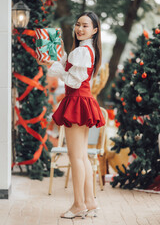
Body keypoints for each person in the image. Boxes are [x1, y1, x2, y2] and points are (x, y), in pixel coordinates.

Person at [37, 11, 106, 219]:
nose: (79, 28)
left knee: (76, 157)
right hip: (81, 100)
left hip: (76, 100)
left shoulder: (83, 51)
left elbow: (73, 81)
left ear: (94, 30)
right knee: (81, 156)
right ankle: (90, 202)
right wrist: (58, 63)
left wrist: (57, 69)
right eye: (78, 24)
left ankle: (78, 204)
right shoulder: (85, 49)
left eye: (85, 26)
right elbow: (73, 75)